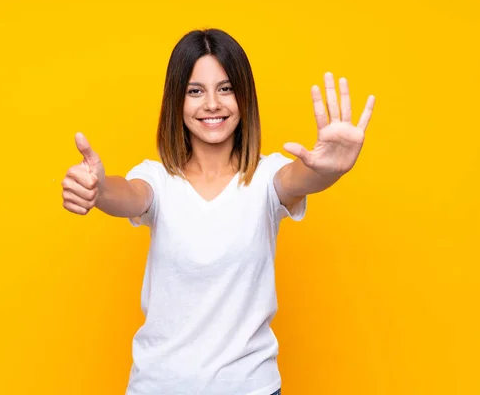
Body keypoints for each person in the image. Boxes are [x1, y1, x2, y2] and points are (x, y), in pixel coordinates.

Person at [61, 28, 375, 395]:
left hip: (251, 387)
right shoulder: (157, 179)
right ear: (177, 101)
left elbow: (299, 178)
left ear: (244, 96)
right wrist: (97, 190)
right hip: (158, 386)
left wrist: (330, 168)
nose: (212, 104)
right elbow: (128, 195)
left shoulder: (266, 178)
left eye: (225, 88)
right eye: (196, 91)